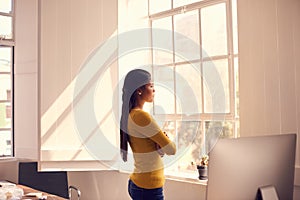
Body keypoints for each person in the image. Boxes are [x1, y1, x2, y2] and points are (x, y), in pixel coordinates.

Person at [120, 69, 176, 200]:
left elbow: (155, 150)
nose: (154, 90)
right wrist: (163, 138)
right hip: (148, 188)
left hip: (140, 184)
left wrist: (159, 144)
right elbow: (171, 149)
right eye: (151, 86)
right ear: (139, 90)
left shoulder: (131, 114)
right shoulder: (141, 116)